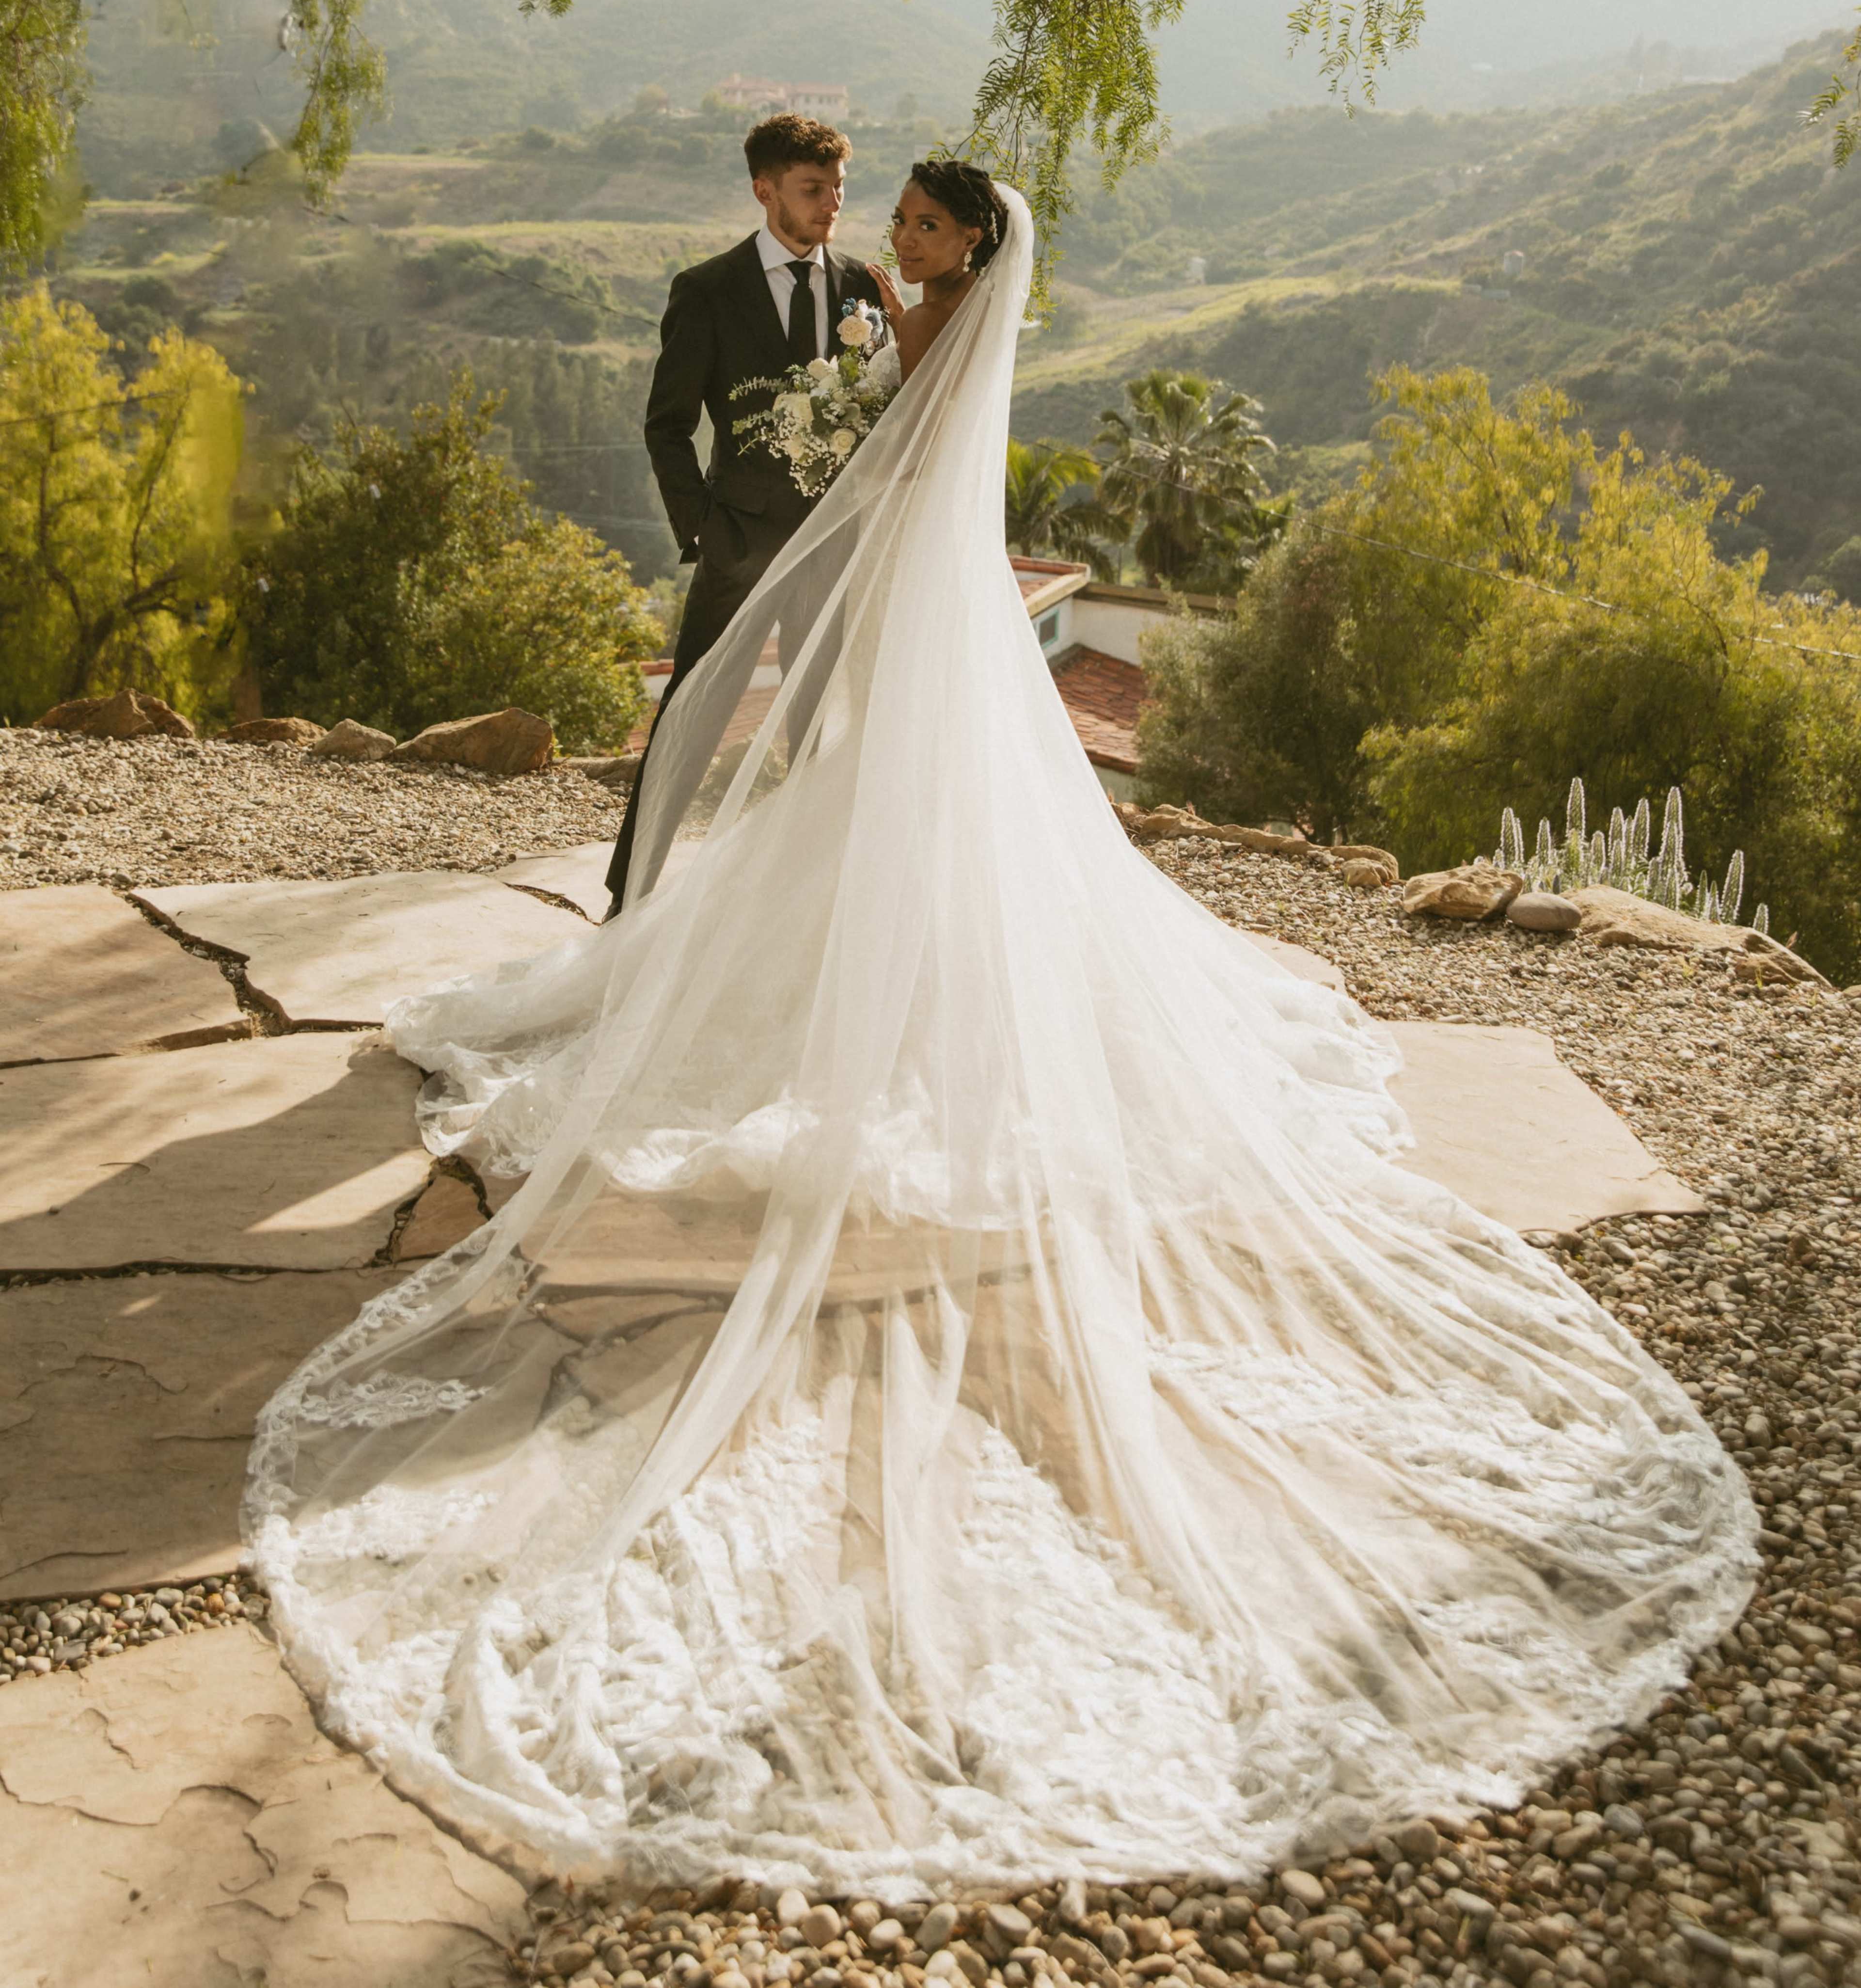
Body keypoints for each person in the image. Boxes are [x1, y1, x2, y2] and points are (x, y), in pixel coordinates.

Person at [247, 163, 1757, 1898]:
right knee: (876, 814)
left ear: (971, 240)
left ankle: (879, 1011)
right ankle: (857, 984)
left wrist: (841, 419)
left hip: (915, 582)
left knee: (876, 814)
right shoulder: (935, 311)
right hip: (927, 584)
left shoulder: (934, 317)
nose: (895, 237)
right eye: (887, 217)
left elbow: (888, 448)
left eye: (916, 221)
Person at [603, 112, 892, 912]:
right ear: (765, 190)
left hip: (833, 545)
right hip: (737, 544)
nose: (831, 202)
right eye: (812, 188)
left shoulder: (863, 289)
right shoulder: (708, 290)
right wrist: (700, 526)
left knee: (817, 730)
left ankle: (805, 912)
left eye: (838, 186)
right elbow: (667, 424)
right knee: (689, 721)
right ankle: (627, 897)